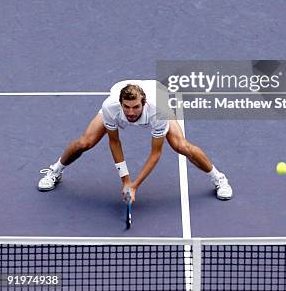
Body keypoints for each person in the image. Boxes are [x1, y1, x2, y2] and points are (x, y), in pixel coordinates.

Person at [37, 80, 233, 202]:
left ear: (143, 103)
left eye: (135, 107)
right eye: (127, 107)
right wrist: (125, 180)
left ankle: (219, 178)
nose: (131, 113)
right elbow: (114, 143)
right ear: (121, 104)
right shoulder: (111, 107)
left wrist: (135, 185)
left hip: (159, 94)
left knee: (181, 145)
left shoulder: (158, 111)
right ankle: (56, 170)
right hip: (121, 104)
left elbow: (156, 153)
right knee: (84, 142)